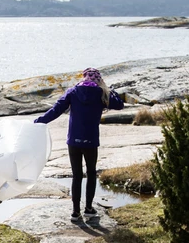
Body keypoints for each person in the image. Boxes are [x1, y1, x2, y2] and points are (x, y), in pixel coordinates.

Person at [34, 67, 124, 220]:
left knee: (76, 175)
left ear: (83, 78)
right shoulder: (101, 93)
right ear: (98, 80)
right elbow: (119, 104)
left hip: (73, 141)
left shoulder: (73, 91)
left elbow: (56, 110)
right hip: (91, 141)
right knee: (90, 173)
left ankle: (75, 212)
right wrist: (108, 89)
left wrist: (38, 122)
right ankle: (88, 208)